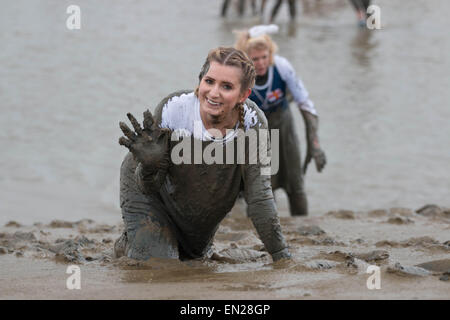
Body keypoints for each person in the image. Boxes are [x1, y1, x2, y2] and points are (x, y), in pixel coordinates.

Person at [115, 47, 291, 262]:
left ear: (243, 95)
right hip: (146, 190)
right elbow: (150, 187)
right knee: (161, 265)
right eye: (209, 81)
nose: (214, 93)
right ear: (200, 81)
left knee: (194, 257)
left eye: (226, 86)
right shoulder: (173, 109)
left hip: (197, 203)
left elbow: (260, 198)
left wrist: (282, 257)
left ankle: (169, 245)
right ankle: (130, 242)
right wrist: (150, 165)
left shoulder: (254, 123)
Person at [235, 25, 326, 216]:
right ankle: (266, 227)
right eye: (255, 59)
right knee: (261, 186)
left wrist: (314, 143)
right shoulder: (238, 75)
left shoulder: (282, 67)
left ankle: (301, 224)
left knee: (295, 181)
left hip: (283, 123)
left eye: (264, 57)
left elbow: (305, 104)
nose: (260, 63)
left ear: (270, 54)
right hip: (254, 129)